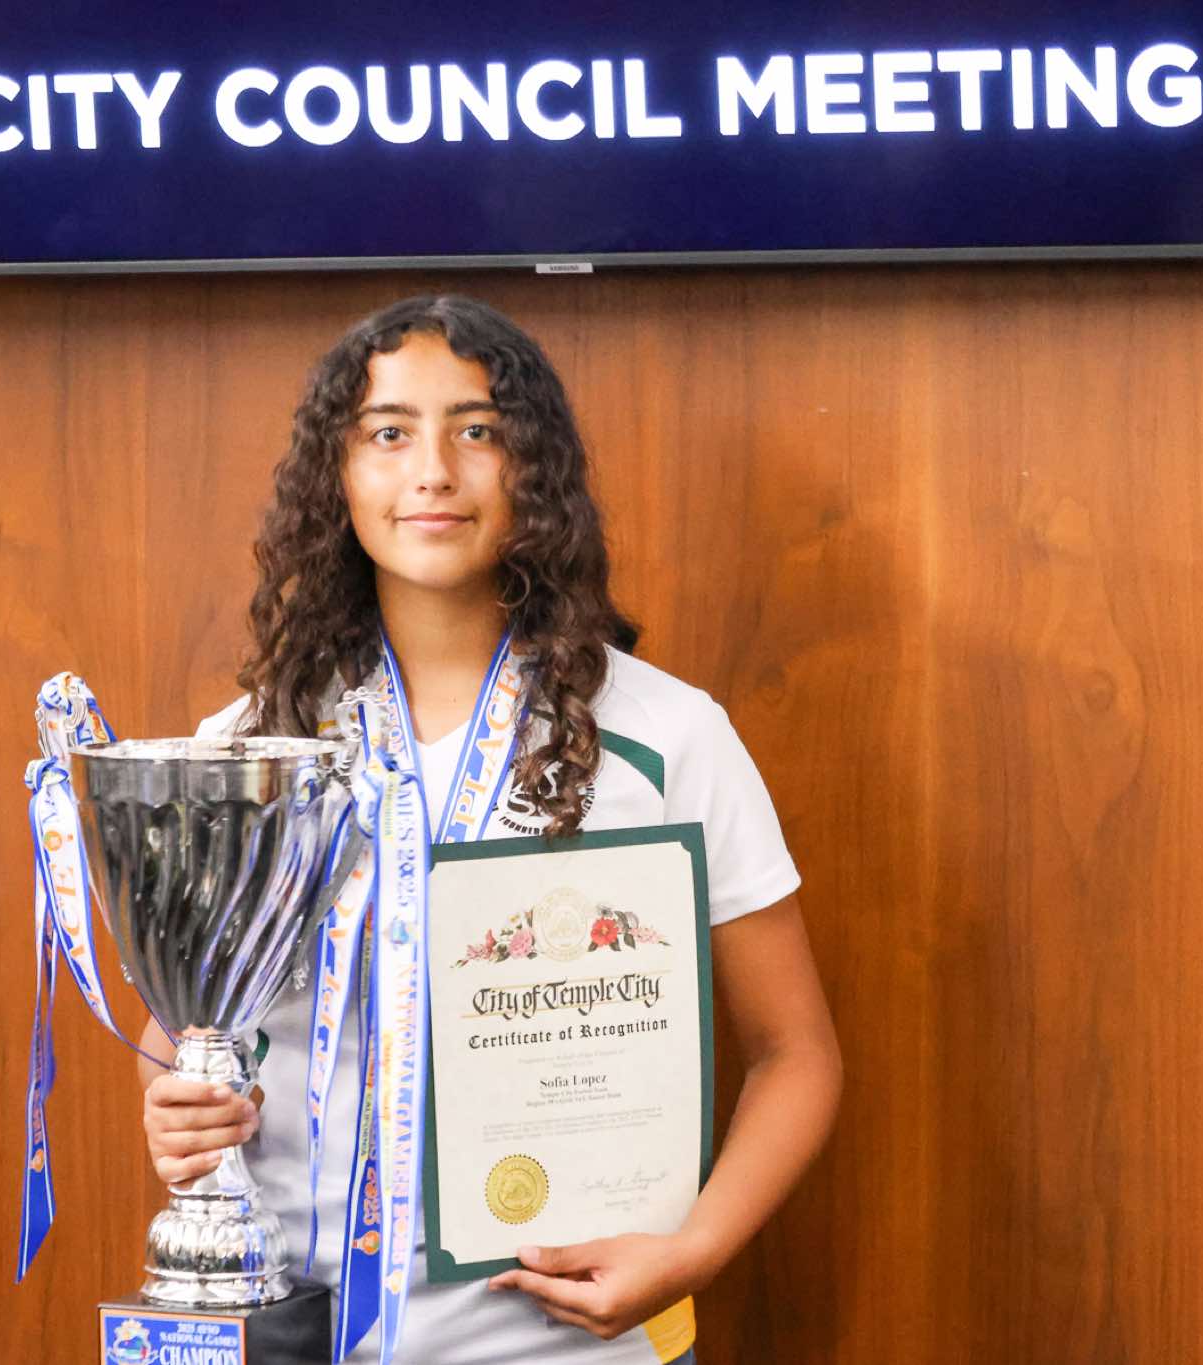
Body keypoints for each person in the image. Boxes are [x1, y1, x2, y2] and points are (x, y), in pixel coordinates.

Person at [134, 295, 841, 1364]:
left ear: (534, 471)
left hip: (568, 1342)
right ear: (336, 476)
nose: (432, 470)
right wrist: (175, 1104)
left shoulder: (667, 736)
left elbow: (796, 1053)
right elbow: (182, 1034)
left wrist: (689, 1254)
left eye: (477, 430)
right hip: (287, 1329)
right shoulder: (248, 748)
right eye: (387, 432)